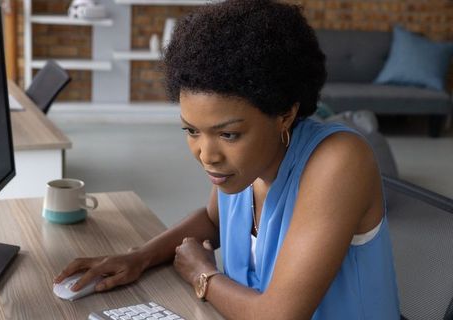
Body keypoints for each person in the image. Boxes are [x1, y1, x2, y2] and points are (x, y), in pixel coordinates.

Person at [54, 1, 400, 318]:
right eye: (191, 131)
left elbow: (277, 316)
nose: (206, 155)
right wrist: (140, 256)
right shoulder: (242, 170)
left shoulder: (338, 160)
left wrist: (203, 274)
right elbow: (212, 220)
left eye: (228, 134)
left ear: (285, 113)